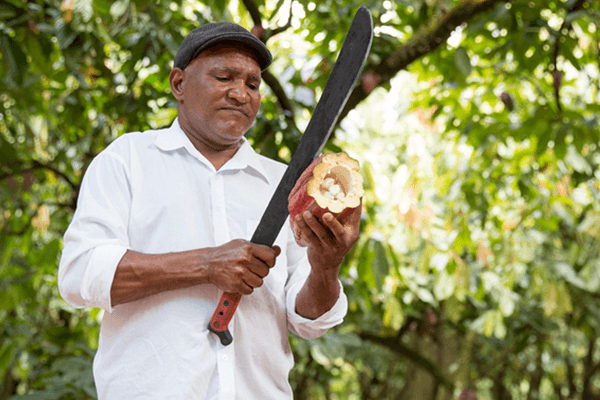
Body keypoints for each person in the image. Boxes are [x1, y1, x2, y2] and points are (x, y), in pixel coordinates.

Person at [58, 21, 361, 400]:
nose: (240, 93)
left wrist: (326, 266)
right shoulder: (127, 159)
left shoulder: (284, 183)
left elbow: (309, 320)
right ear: (178, 84)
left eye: (253, 84)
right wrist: (206, 264)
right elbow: (80, 274)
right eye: (223, 77)